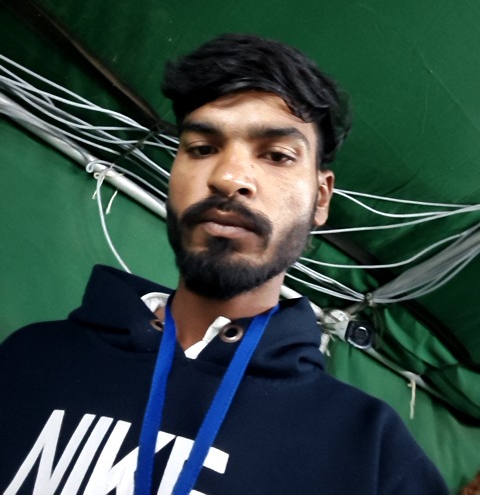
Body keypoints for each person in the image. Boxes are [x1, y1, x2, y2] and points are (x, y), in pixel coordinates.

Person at [0, 34, 448, 494]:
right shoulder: (29, 358)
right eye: (202, 148)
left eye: (277, 155)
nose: (229, 177)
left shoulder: (373, 457)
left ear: (321, 198)